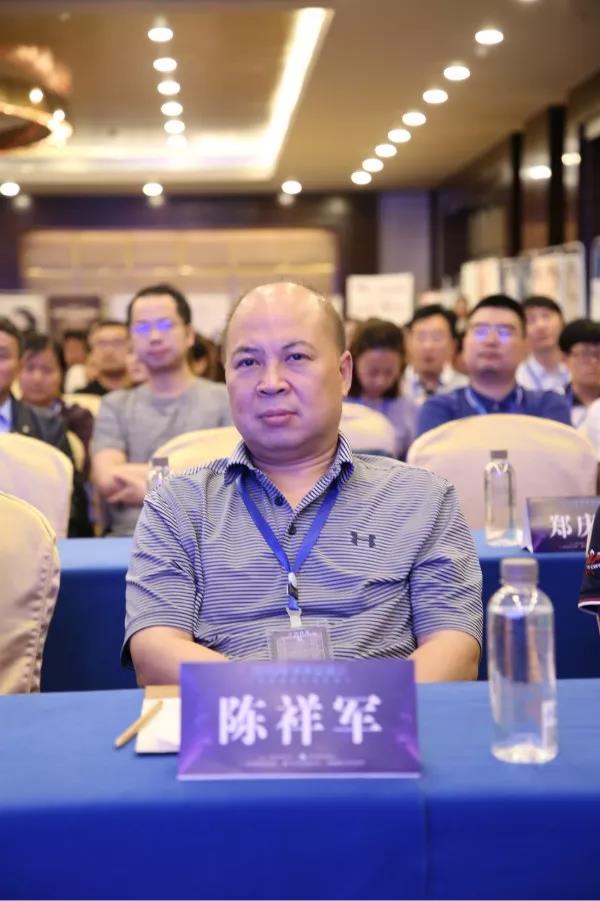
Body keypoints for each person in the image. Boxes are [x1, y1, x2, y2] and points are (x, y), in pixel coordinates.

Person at [125, 281, 482, 686]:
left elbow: (455, 649)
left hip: (383, 718)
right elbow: (153, 651)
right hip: (231, 718)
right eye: (247, 362)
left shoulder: (424, 499)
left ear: (343, 373)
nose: (271, 382)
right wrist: (277, 701)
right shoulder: (176, 506)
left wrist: (352, 706)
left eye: (295, 357)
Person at [92, 283, 231, 536]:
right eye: (142, 328)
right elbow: (108, 480)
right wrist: (189, 476)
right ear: (131, 339)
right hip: (129, 538)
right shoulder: (115, 405)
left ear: (189, 334)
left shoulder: (224, 399)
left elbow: (228, 482)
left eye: (166, 325)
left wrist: (147, 484)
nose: (155, 337)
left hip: (208, 538)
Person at [417, 295, 572, 436]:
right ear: (464, 343)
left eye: (504, 333)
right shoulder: (440, 409)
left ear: (525, 345)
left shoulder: (548, 406)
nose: (491, 340)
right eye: (480, 331)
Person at [0, 318, 91, 536]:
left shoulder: (48, 426)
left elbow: (71, 504)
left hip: (32, 540)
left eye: (2, 356)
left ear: (19, 366)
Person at [18, 333, 94, 479]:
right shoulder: (7, 415)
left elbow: (83, 472)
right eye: (29, 368)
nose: (37, 378)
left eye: (47, 370)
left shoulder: (78, 418)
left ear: (62, 374)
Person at [346, 318, 417, 459]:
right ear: (352, 363)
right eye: (373, 372)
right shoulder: (337, 404)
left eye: (389, 373)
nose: (380, 381)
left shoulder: (409, 410)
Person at [402, 304, 467, 405]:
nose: (428, 346)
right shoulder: (395, 387)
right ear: (408, 343)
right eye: (420, 337)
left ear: (453, 345)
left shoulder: (465, 389)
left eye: (436, 338)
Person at [516, 296, 569, 394]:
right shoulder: (518, 379)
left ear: (562, 321)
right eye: (531, 320)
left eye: (546, 316)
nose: (540, 326)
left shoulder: (577, 370)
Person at [558, 319, 600, 428]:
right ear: (564, 358)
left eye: (598, 354)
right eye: (585, 354)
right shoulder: (554, 404)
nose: (594, 361)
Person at [76, 320, 130, 396]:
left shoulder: (144, 395)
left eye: (117, 343)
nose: (109, 351)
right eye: (102, 343)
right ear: (91, 351)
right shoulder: (80, 398)